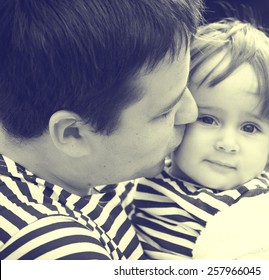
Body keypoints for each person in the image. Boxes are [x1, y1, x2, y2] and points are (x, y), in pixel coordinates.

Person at [0, 0, 203, 260]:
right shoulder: (58, 251)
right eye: (164, 112)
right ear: (73, 134)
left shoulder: (81, 171)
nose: (192, 112)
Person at [131, 18, 269, 260]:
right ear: (176, 114)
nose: (227, 144)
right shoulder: (143, 179)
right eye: (208, 119)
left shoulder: (266, 217)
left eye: (249, 128)